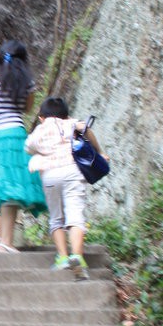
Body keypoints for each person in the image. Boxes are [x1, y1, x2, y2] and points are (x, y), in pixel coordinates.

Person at [0, 40, 46, 253]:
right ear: (23, 61)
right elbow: (26, 109)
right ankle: (5, 241)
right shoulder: (27, 83)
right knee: (13, 190)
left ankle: (3, 241)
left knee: (0, 187)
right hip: (13, 136)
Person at [25, 96, 104, 279]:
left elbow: (28, 147)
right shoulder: (71, 123)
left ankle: (62, 257)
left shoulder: (40, 129)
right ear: (66, 115)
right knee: (75, 214)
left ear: (41, 117)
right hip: (73, 172)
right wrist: (100, 152)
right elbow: (87, 130)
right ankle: (77, 256)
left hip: (50, 175)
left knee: (56, 217)